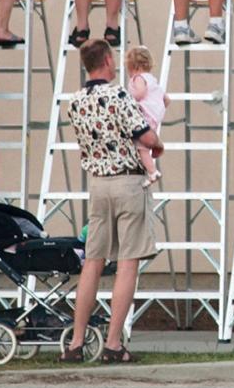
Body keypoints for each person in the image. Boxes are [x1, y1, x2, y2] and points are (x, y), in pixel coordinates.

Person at [61, 38, 161, 364]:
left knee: (93, 261)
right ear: (106, 59)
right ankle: (114, 343)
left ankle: (76, 341)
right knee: (128, 262)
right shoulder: (118, 94)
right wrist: (157, 145)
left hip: (98, 185)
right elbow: (144, 135)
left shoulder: (76, 101)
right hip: (128, 181)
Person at [125, 45, 169, 186]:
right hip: (154, 116)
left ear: (135, 67)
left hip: (145, 115)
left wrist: (129, 99)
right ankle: (156, 145)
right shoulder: (152, 79)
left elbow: (140, 93)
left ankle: (152, 172)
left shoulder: (138, 78)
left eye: (129, 70)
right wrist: (158, 108)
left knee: (141, 147)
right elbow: (166, 99)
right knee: (146, 140)